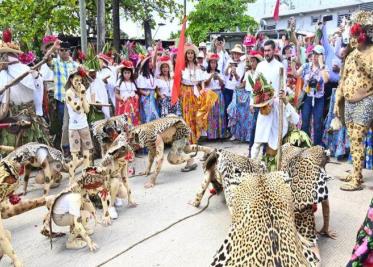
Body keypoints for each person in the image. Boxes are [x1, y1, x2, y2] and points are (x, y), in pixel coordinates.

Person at [334, 10, 373, 191]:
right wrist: (337, 100)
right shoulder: (350, 56)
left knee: (357, 138)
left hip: (367, 100)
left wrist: (361, 61)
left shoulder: (371, 52)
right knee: (353, 139)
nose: (354, 38)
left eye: (357, 34)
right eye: (353, 35)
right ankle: (356, 172)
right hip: (349, 103)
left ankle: (356, 179)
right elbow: (343, 79)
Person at [293, 45, 329, 146]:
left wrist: (321, 64)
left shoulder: (324, 68)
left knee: (317, 123)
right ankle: (305, 144)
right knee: (305, 122)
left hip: (319, 99)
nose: (314, 56)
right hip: (307, 97)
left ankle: (317, 146)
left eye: (317, 54)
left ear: (322, 56)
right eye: (313, 54)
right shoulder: (306, 66)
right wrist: (292, 63)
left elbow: (326, 80)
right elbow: (296, 74)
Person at [64, 67, 93, 183]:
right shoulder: (69, 93)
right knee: (75, 156)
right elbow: (76, 108)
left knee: (86, 153)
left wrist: (84, 95)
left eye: (80, 80)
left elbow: (86, 110)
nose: (79, 82)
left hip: (84, 125)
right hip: (74, 128)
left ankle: (86, 177)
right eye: (76, 80)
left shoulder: (83, 91)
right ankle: (71, 181)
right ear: (71, 80)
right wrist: (81, 95)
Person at [228, 51, 262, 143]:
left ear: (258, 62)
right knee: (245, 119)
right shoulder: (247, 73)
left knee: (252, 118)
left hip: (255, 96)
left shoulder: (260, 73)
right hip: (246, 97)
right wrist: (237, 87)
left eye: (254, 61)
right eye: (251, 61)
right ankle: (245, 137)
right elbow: (244, 84)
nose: (252, 63)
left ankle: (252, 137)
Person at [180, 43, 207, 144]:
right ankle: (188, 137)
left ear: (194, 55)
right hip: (186, 91)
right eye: (188, 53)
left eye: (192, 53)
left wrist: (203, 89)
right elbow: (179, 80)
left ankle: (196, 136)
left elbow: (202, 80)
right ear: (186, 55)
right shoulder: (182, 67)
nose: (190, 55)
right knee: (187, 113)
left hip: (196, 91)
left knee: (196, 113)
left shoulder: (198, 67)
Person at [224, 44, 245, 138]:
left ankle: (234, 132)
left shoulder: (241, 64)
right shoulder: (229, 61)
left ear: (240, 55)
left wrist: (235, 72)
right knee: (227, 110)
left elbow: (239, 79)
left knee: (235, 111)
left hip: (236, 90)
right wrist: (229, 68)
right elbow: (224, 74)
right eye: (234, 54)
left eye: (238, 54)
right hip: (227, 88)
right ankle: (228, 130)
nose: (236, 55)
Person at [204, 53, 225, 140]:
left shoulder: (219, 73)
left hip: (219, 94)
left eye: (215, 63)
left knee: (220, 113)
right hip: (210, 94)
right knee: (211, 114)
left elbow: (222, 84)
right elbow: (205, 84)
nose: (213, 64)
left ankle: (220, 134)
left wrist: (218, 78)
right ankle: (211, 135)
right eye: (211, 63)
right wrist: (211, 77)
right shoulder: (206, 73)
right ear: (209, 64)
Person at [115, 60, 140, 126]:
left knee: (133, 119)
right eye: (125, 73)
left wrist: (136, 96)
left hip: (133, 104)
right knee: (124, 119)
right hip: (124, 103)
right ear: (122, 73)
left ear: (131, 73)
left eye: (128, 73)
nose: (127, 75)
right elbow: (116, 94)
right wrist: (121, 98)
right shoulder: (120, 82)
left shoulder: (133, 82)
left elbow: (135, 92)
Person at [136, 56, 159, 123]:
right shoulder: (141, 76)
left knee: (155, 113)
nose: (151, 63)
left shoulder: (152, 75)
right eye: (149, 62)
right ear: (145, 64)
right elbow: (139, 89)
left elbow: (155, 87)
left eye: (151, 61)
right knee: (148, 115)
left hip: (153, 97)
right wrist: (146, 93)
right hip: (146, 97)